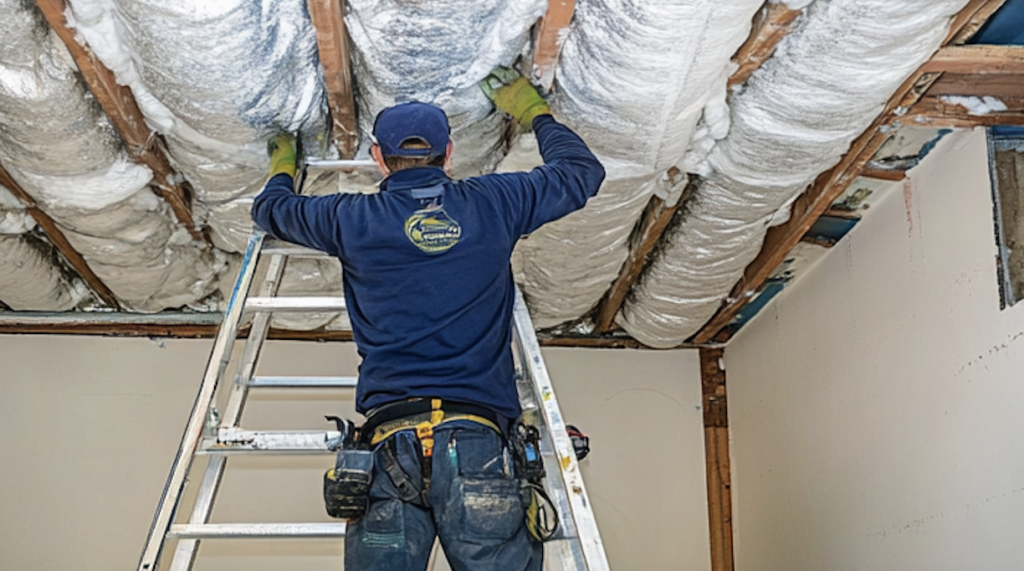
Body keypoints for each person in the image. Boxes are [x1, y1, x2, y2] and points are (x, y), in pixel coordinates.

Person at [251, 67, 604, 571]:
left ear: (378, 159)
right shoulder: (495, 202)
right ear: (449, 154)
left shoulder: (350, 219)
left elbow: (271, 210)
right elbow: (580, 173)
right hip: (478, 443)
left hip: (388, 447)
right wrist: (532, 112)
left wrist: (285, 165)